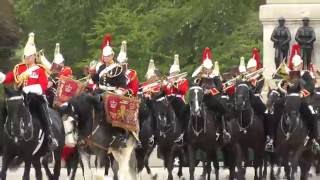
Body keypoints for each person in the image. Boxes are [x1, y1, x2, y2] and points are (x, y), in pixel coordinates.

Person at [0, 32, 58, 151]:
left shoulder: (40, 70)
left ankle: (50, 136)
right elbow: (8, 78)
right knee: (6, 108)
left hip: (35, 97)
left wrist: (30, 89)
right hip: (21, 97)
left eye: (30, 56)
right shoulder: (19, 68)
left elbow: (43, 86)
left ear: (34, 57)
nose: (27, 59)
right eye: (26, 56)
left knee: (42, 110)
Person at [280, 51, 320, 152]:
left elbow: (310, 86)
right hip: (290, 101)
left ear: (302, 64)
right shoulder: (289, 74)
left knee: (312, 115)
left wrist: (302, 92)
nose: (298, 66)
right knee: (274, 112)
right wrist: (285, 85)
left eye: (300, 64)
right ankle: (273, 139)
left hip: (302, 101)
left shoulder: (306, 74)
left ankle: (314, 138)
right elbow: (286, 87)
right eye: (296, 65)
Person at [192, 47, 230, 142]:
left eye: (208, 69)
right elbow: (196, 87)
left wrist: (210, 91)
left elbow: (220, 87)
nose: (207, 70)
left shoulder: (215, 77)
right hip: (202, 99)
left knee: (222, 110)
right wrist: (201, 88)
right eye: (205, 69)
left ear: (211, 68)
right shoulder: (200, 77)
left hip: (213, 98)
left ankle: (223, 130)